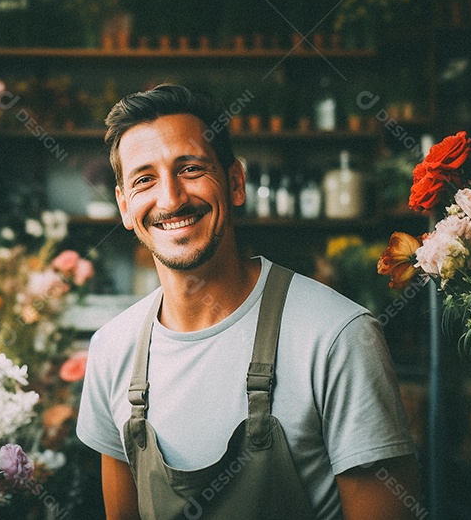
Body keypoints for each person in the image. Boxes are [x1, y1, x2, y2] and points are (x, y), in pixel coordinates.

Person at [76, 85, 421, 520]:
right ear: (125, 207)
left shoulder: (337, 337)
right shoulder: (112, 349)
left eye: (190, 168)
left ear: (235, 182)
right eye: (145, 179)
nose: (171, 198)